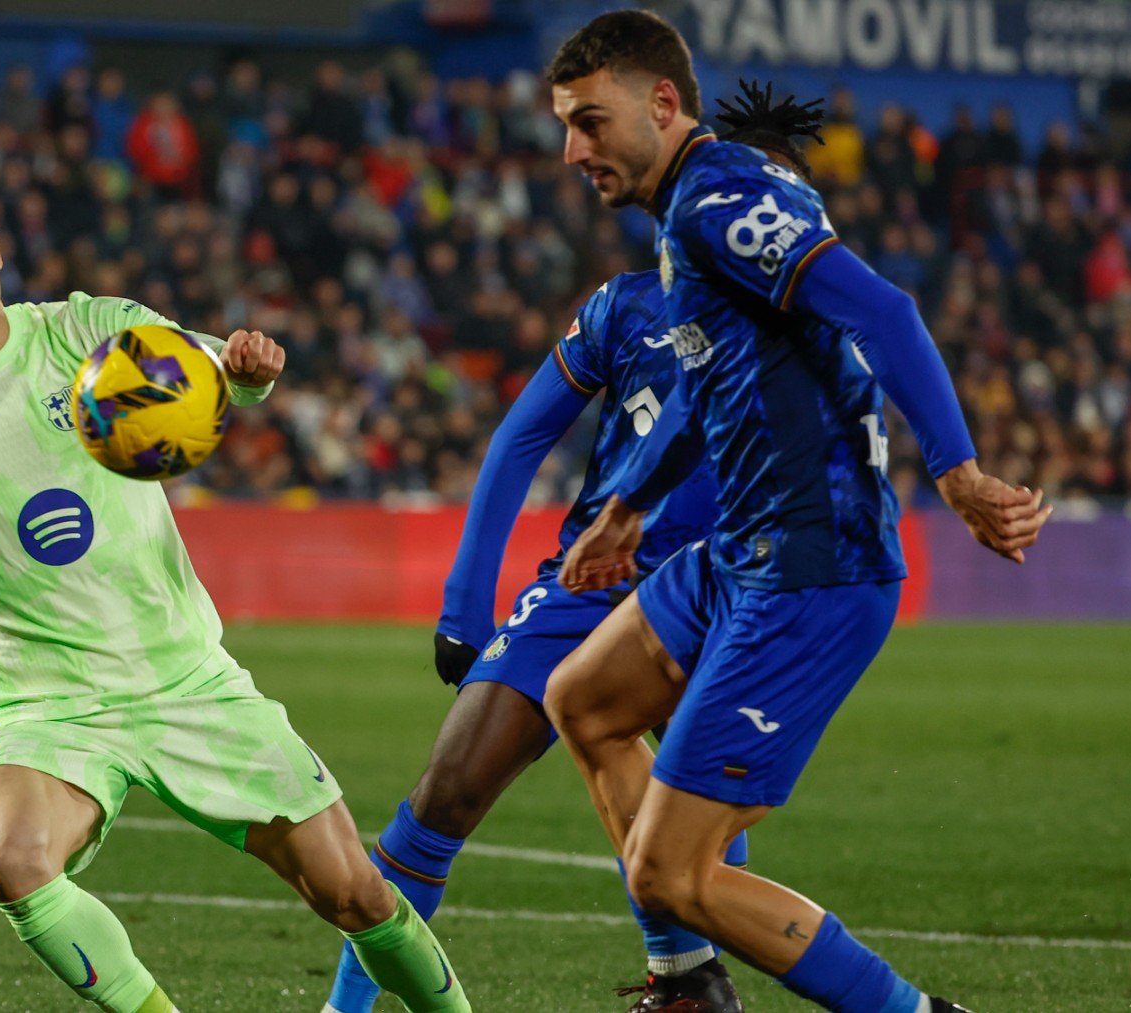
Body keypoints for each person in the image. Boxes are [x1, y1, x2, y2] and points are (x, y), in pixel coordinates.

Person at [0, 162, 471, 1013]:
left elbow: (203, 369)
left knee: (355, 893)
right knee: (12, 857)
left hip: (186, 678)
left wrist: (249, 374)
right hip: (49, 705)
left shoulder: (93, 331)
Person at [542, 13, 1049, 1012]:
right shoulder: (699, 199)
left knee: (670, 873)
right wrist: (628, 506)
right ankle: (687, 984)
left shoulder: (718, 196)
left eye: (591, 123)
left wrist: (954, 470)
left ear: (661, 103)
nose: (573, 151)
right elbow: (712, 381)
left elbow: (885, 310)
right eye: (567, 126)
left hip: (812, 569)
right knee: (584, 701)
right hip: (744, 547)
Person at [326, 79, 839, 1013]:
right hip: (590, 582)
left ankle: (687, 981)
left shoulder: (816, 326)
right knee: (443, 794)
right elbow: (522, 437)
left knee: (699, 858)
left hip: (722, 593)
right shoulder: (622, 309)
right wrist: (464, 601)